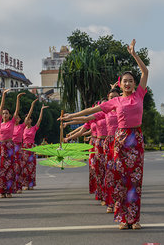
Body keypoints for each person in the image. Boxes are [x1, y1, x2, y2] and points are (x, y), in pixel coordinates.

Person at [61, 39, 148, 230]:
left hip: (136, 139)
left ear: (135, 84)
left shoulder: (139, 95)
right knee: (119, 179)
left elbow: (145, 72)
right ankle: (124, 219)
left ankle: (135, 218)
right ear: (120, 83)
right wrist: (72, 115)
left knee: (135, 180)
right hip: (120, 140)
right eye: (124, 81)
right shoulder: (115, 101)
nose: (128, 83)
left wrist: (134, 54)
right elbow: (92, 112)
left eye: (130, 81)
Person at [0, 90, 25, 198]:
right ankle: (1, 190)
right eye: (3, 113)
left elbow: (17, 110)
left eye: (6, 113)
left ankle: (9, 190)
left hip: (9, 146)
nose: (4, 115)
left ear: (9, 115)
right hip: (1, 146)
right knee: (1, 169)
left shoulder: (11, 122)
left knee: (9, 169)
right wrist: (3, 95)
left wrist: (17, 99)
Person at [23, 101, 48, 191]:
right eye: (26, 118)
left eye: (29, 119)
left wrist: (41, 110)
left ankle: (31, 184)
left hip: (32, 148)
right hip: (24, 148)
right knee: (25, 167)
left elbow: (40, 120)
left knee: (31, 167)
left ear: (31, 120)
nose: (28, 120)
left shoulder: (34, 128)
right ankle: (25, 184)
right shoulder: (22, 128)